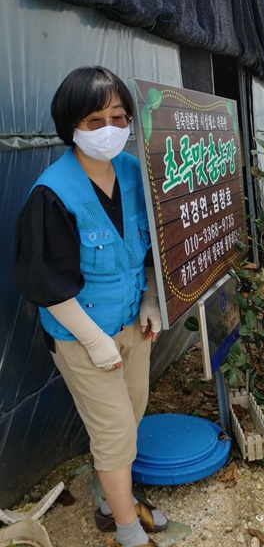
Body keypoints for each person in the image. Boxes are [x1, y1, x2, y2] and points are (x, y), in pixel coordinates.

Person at [14, 66, 165, 547]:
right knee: (115, 430)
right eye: (94, 120)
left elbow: (150, 249)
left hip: (132, 325)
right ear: (71, 126)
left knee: (134, 411)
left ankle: (108, 495)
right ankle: (125, 527)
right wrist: (95, 340)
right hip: (81, 336)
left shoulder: (133, 173)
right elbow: (46, 282)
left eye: (118, 117)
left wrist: (149, 299)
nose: (110, 130)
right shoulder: (52, 193)